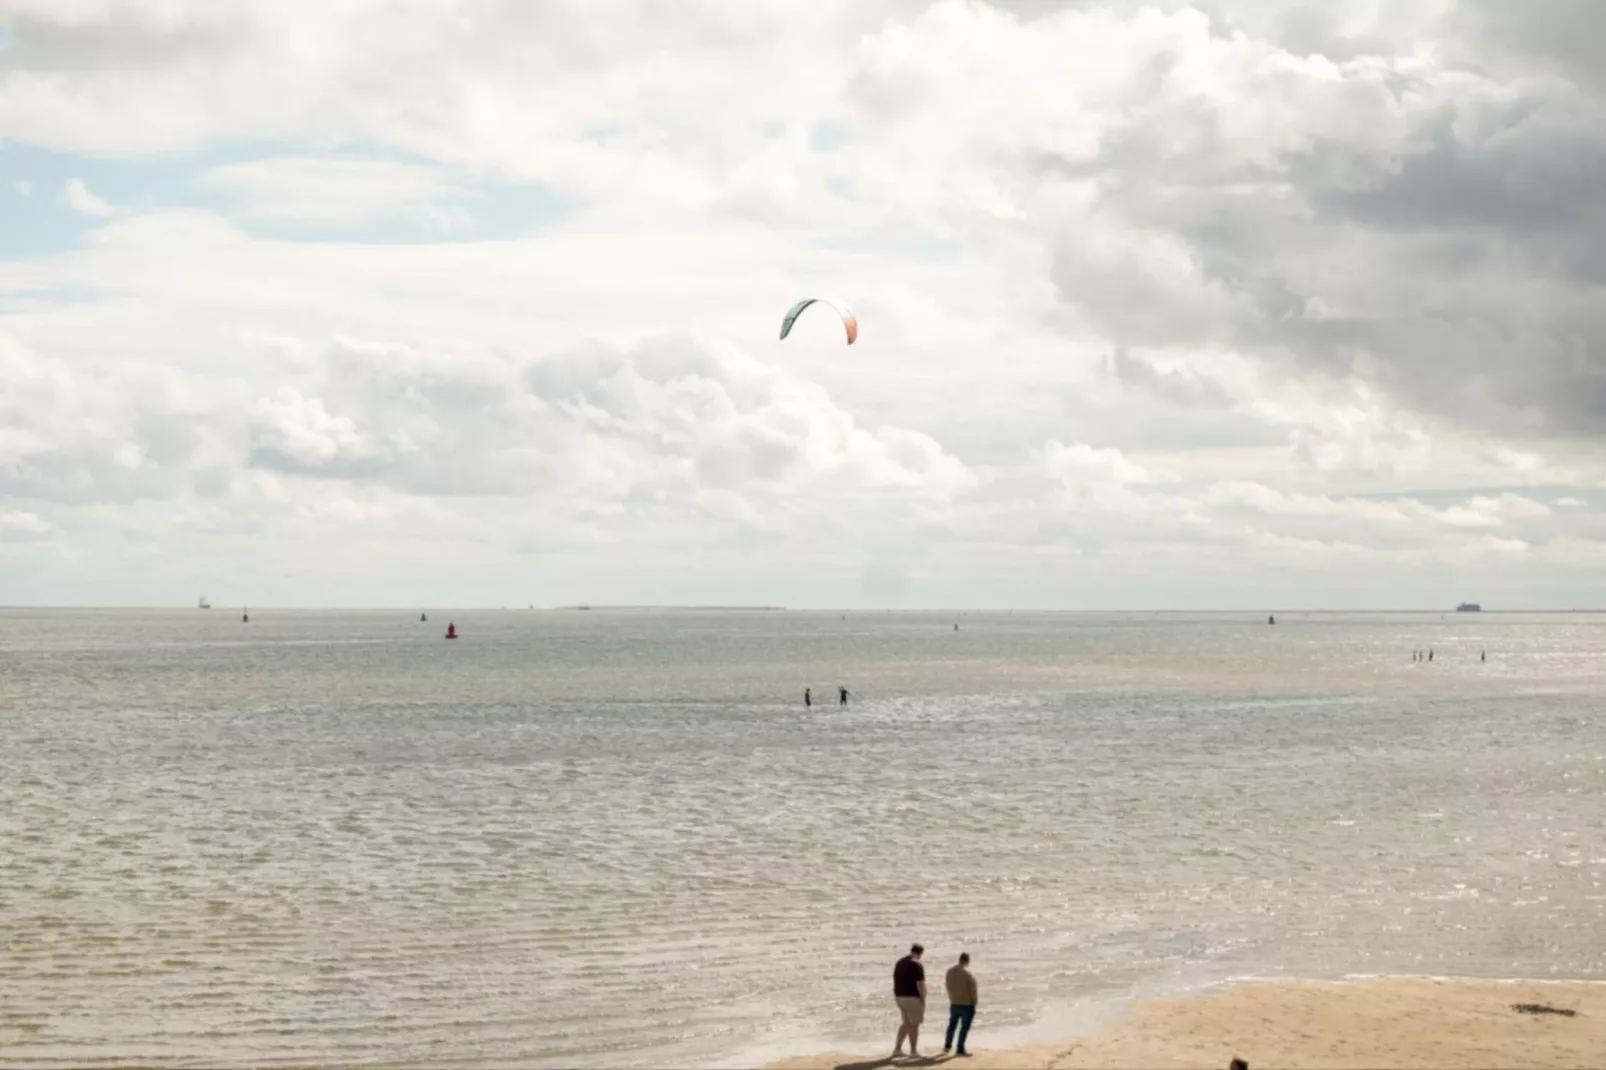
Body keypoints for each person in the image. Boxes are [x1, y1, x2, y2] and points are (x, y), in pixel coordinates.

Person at [892, 943, 926, 1058]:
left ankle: (897, 1049)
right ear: (920, 953)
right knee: (914, 1025)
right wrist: (923, 999)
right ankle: (913, 1051)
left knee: (906, 1024)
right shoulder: (917, 964)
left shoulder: (900, 962)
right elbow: (921, 985)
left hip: (899, 996)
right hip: (912, 997)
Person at [943, 952, 978, 1056]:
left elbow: (947, 986)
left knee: (952, 1025)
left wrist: (951, 998)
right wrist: (974, 1003)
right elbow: (973, 991)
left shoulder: (949, 972)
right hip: (966, 1004)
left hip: (954, 1002)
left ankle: (947, 1046)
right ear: (967, 961)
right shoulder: (967, 974)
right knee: (964, 1028)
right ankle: (960, 1049)